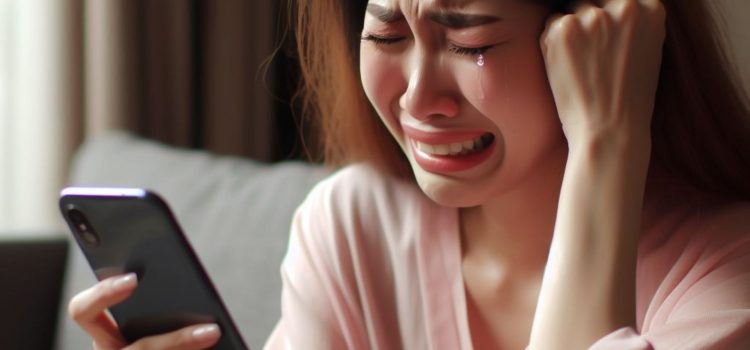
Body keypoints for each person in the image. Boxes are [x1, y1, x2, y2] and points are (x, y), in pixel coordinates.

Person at [68, 0, 750, 349]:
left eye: (469, 42)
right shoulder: (352, 227)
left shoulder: (726, 273)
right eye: (388, 36)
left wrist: (606, 141)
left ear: (603, 38)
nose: (419, 100)